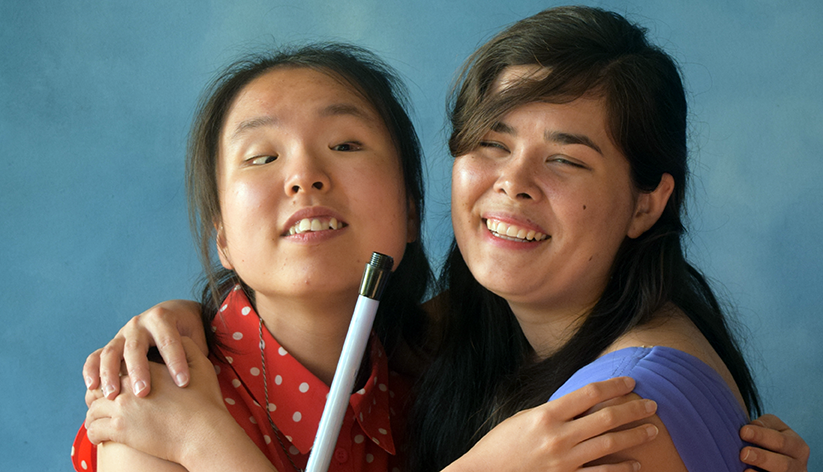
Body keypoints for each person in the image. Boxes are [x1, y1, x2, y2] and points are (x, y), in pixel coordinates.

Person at [73, 43, 661, 472]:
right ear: (222, 236)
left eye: (346, 145)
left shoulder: (437, 377)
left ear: (411, 212)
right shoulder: (157, 400)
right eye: (261, 157)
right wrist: (203, 439)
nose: (305, 177)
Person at [404, 6, 787, 472]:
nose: (513, 181)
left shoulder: (617, 417)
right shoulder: (479, 322)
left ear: (646, 204)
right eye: (493, 143)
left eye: (566, 159)